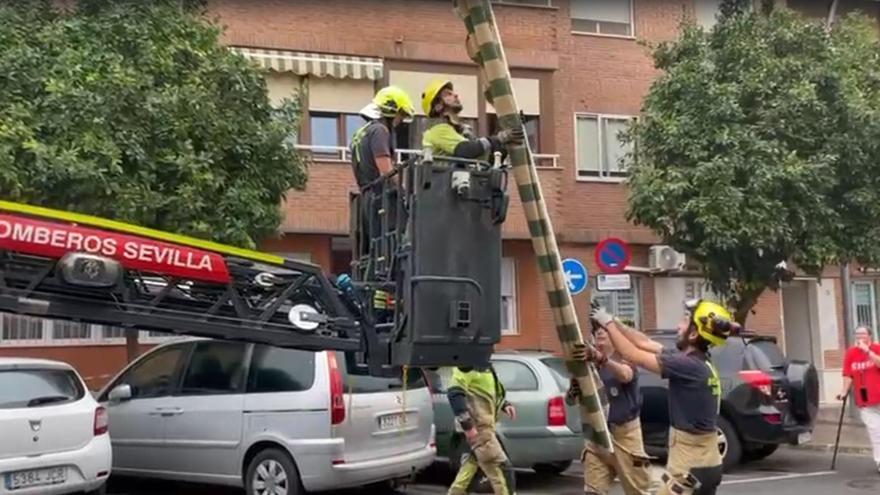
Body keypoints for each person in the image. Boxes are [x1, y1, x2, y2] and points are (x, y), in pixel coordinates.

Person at [587, 299, 737, 495]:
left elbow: (631, 353)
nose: (678, 326)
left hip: (689, 470)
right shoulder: (696, 362)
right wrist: (614, 321)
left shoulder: (688, 366)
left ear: (693, 334)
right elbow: (643, 342)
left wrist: (607, 322)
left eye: (684, 321)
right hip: (704, 464)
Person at [567, 324, 651, 495]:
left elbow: (625, 375)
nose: (599, 332)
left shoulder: (625, 358)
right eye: (596, 329)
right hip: (597, 436)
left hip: (625, 436)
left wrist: (601, 359)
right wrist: (573, 390)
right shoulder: (587, 364)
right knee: (593, 491)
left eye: (604, 329)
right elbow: (570, 401)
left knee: (637, 490)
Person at [446, 365, 517, 495]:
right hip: (480, 431)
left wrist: (504, 404)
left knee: (469, 472)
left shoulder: (484, 365)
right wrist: (468, 426)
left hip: (483, 429)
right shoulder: (466, 365)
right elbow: (454, 394)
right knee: (501, 469)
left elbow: (489, 390)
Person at [420, 79, 524, 160]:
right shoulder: (438, 130)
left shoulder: (459, 132)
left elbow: (484, 158)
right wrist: (500, 138)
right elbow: (466, 150)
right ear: (438, 106)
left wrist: (504, 142)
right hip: (444, 181)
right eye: (448, 94)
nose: (455, 95)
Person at [350, 85, 415, 190]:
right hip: (379, 195)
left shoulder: (364, 132)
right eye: (401, 114)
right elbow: (386, 169)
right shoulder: (380, 131)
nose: (402, 119)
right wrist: (402, 190)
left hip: (367, 193)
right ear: (390, 110)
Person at [837, 326, 880, 473]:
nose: (860, 336)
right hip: (865, 401)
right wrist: (844, 391)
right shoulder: (851, 353)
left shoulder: (877, 348)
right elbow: (848, 374)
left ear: (870, 336)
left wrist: (868, 351)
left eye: (863, 333)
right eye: (857, 334)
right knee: (875, 432)